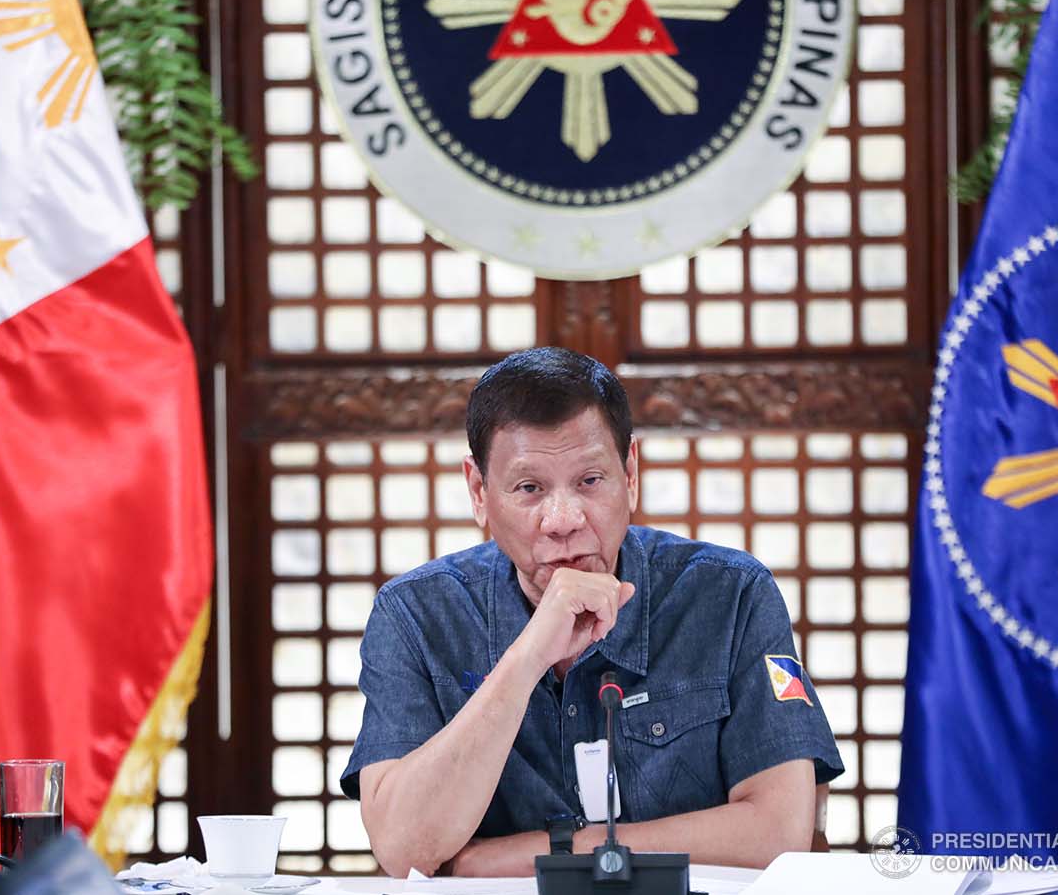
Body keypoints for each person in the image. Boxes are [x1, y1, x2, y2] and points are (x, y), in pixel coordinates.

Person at [341, 347, 844, 877]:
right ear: (478, 491)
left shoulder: (732, 595)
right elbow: (402, 848)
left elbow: (781, 830)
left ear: (629, 474)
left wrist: (540, 855)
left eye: (589, 481)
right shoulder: (416, 616)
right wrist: (529, 654)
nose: (563, 520)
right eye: (529, 488)